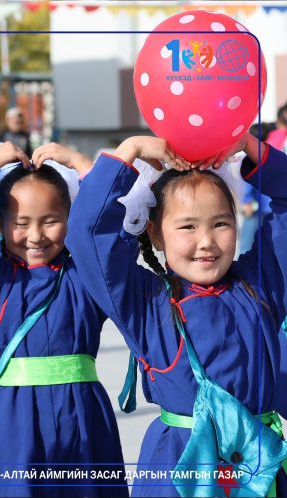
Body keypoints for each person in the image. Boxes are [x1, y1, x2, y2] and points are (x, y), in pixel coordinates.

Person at [66, 133, 287, 496]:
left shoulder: (262, 285)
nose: (206, 241)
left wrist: (250, 147)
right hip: (177, 468)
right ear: (154, 233)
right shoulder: (146, 302)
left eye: (220, 223)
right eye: (187, 226)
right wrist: (129, 152)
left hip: (259, 471)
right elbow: (89, 235)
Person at [0, 142, 127, 497]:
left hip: (83, 420)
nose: (36, 236)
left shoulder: (87, 277)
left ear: (71, 218)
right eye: (21, 223)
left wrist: (84, 166)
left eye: (50, 221)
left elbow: (110, 235)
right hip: (10, 423)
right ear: (0, 224)